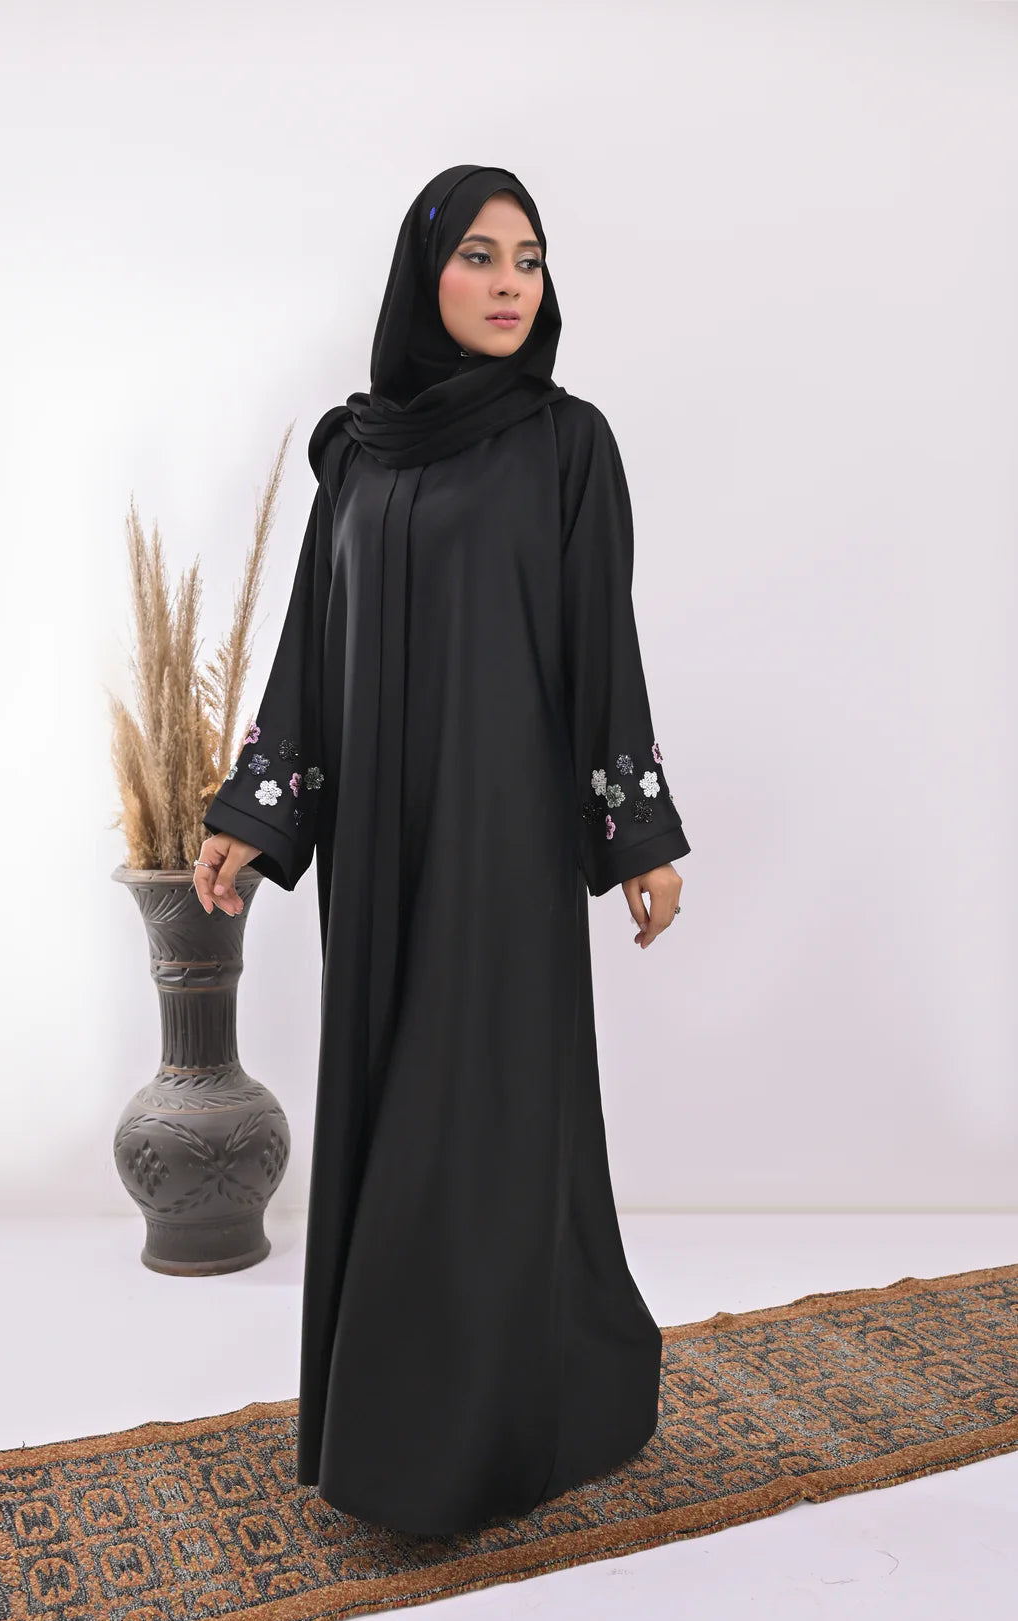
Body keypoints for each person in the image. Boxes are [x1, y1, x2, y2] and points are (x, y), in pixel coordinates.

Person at [194, 163, 691, 1536]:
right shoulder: (357, 454)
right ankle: (407, 1427)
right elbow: (310, 648)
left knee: (467, 1119)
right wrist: (254, 814)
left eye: (529, 257)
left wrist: (636, 833)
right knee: (395, 1102)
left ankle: (463, 1447)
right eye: (479, 254)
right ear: (426, 276)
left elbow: (601, 642)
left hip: (502, 850)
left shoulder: (567, 443)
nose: (510, 281)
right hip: (379, 854)